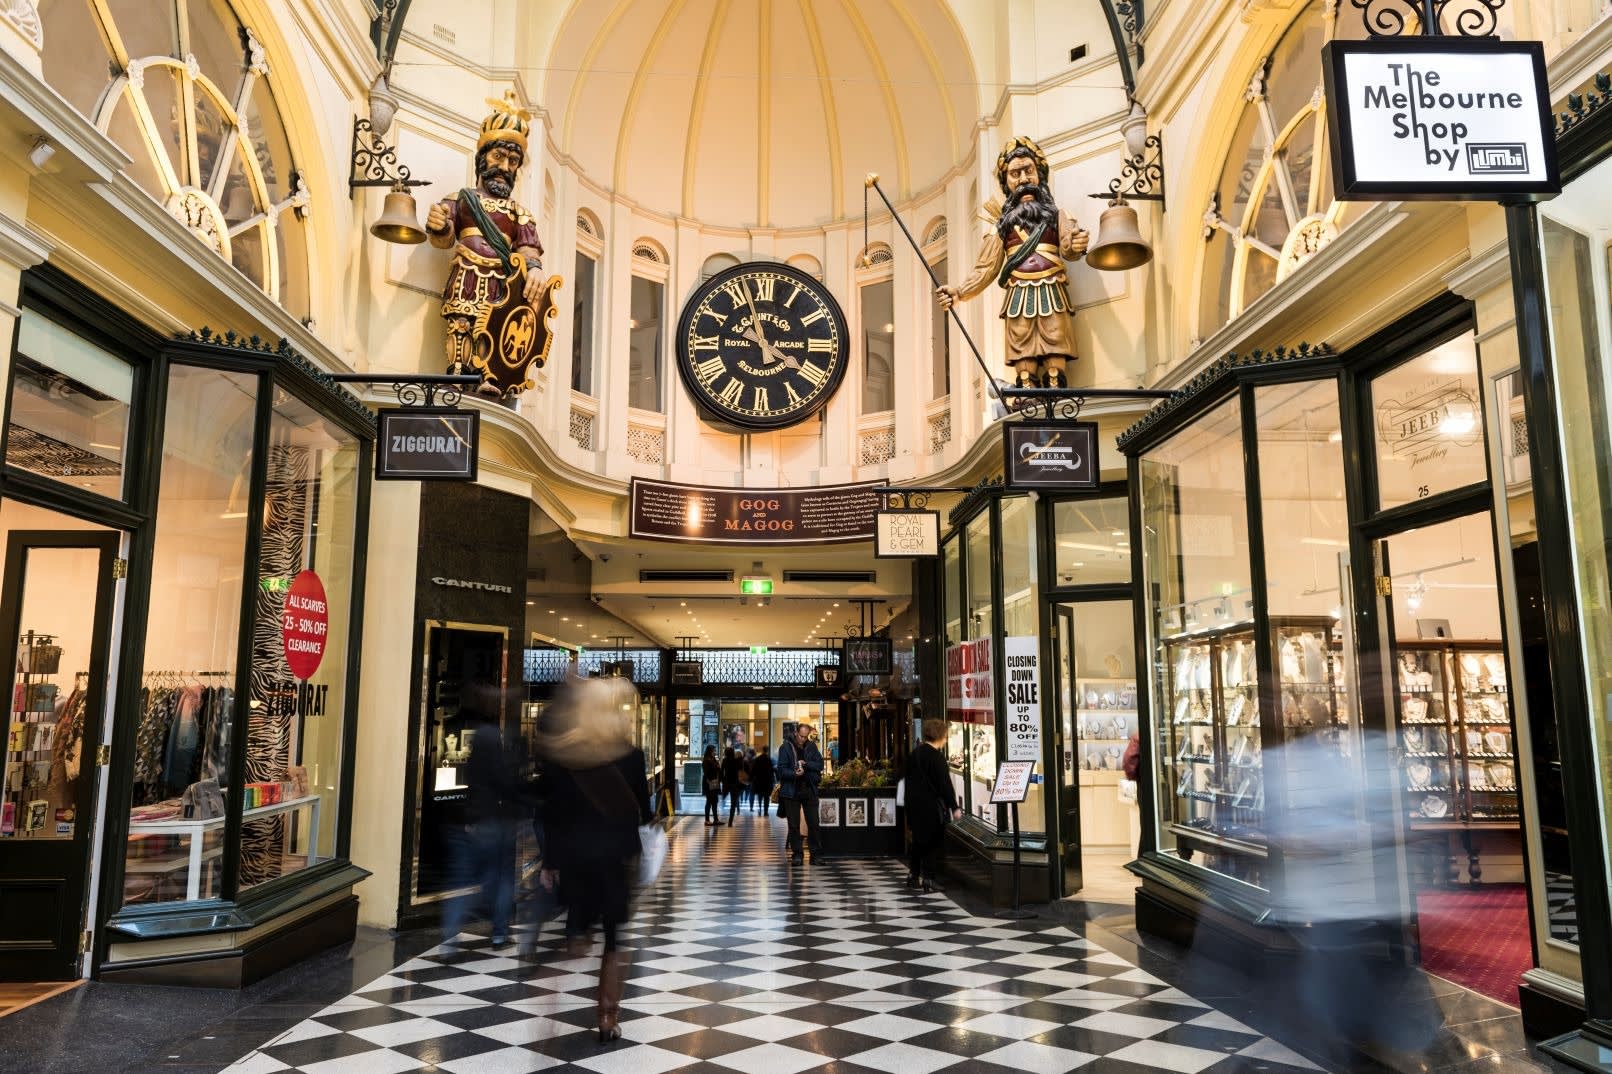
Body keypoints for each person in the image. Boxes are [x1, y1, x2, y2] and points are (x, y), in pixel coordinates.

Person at [538, 674, 652, 1043]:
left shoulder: (564, 755)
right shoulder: (631, 756)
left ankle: (549, 988)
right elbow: (643, 811)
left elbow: (552, 814)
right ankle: (607, 1017)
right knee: (615, 940)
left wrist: (550, 862)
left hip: (577, 860)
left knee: (577, 939)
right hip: (615, 860)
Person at [937, 135, 1090, 389]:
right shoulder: (1001, 227)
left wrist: (1076, 244)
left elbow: (1069, 246)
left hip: (1052, 289)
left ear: (1039, 175)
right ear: (1006, 182)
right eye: (1015, 174)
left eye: (1029, 171)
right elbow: (986, 268)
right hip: (1018, 294)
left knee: (1055, 340)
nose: (1023, 180)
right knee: (1022, 346)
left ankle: (1055, 385)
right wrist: (959, 292)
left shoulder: (1058, 216)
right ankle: (1026, 389)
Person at [440, 708, 520, 947]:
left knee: (468, 877)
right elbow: (506, 786)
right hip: (497, 822)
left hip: (477, 822)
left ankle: (450, 933)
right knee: (501, 879)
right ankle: (499, 932)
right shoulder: (497, 750)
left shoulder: (475, 755)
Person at [904, 717, 960, 893]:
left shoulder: (915, 754)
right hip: (931, 806)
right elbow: (945, 785)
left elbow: (907, 780)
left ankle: (913, 875)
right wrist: (954, 807)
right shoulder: (937, 758)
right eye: (946, 736)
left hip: (913, 804)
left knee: (918, 841)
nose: (946, 739)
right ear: (940, 736)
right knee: (932, 842)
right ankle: (928, 878)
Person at [776, 723, 822, 864]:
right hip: (792, 791)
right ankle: (797, 854)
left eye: (805, 736)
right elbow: (781, 770)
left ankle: (815, 855)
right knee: (794, 825)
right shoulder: (785, 747)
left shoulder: (812, 746)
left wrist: (806, 764)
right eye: (801, 736)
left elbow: (820, 765)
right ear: (796, 733)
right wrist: (794, 773)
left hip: (809, 789)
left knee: (814, 823)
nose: (803, 739)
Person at [749, 746, 774, 816]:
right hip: (767, 781)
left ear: (762, 750)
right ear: (767, 751)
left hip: (759, 781)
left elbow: (754, 770)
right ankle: (766, 811)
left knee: (760, 796)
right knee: (766, 797)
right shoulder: (769, 759)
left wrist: (751, 778)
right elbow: (771, 771)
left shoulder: (758, 759)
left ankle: (760, 808)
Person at [720, 746, 742, 826]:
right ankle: (730, 821)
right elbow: (740, 770)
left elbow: (721, 772)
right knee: (733, 803)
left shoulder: (724, 760)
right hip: (735, 783)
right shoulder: (736, 760)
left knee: (723, 798)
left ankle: (720, 814)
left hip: (726, 783)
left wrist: (722, 781)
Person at [701, 745, 721, 826]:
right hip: (709, 783)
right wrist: (716, 767)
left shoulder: (713, 759)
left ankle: (716, 819)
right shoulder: (706, 760)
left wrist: (717, 766)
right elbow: (707, 772)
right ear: (710, 751)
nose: (715, 752)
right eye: (713, 751)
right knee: (709, 801)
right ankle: (707, 820)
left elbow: (718, 768)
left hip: (714, 782)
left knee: (715, 801)